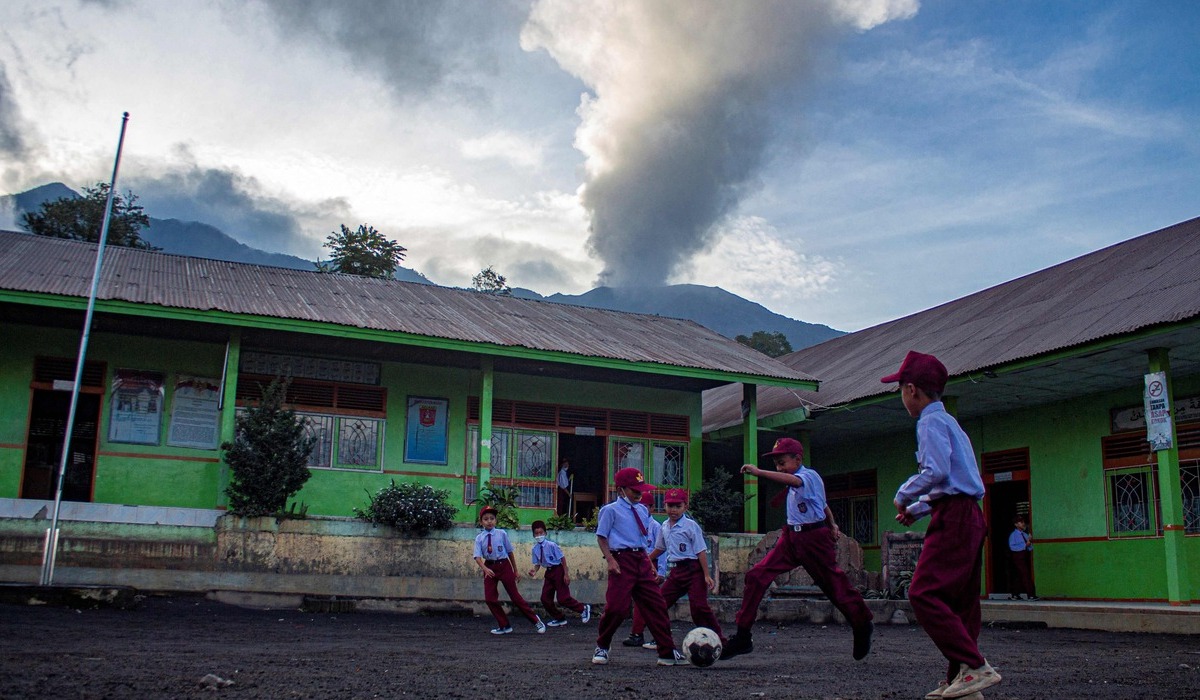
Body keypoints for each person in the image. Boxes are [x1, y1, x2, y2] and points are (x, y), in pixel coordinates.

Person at [883, 350, 1001, 699]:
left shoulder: (929, 423)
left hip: (954, 518)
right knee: (963, 602)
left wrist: (903, 496)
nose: (901, 396)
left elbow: (935, 472)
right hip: (968, 513)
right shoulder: (951, 423)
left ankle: (975, 666)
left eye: (901, 389)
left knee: (923, 593)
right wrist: (920, 509)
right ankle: (961, 680)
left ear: (912, 390)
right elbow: (956, 481)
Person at [721, 437, 874, 663]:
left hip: (813, 539)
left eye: (782, 462)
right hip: (791, 537)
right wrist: (832, 523)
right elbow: (822, 504)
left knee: (833, 585)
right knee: (756, 575)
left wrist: (759, 472)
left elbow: (794, 481)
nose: (779, 467)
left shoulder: (808, 476)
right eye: (776, 464)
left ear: (798, 459)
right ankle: (743, 636)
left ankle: (862, 623)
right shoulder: (797, 484)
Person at [591, 467, 686, 666]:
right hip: (621, 559)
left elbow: (642, 540)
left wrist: (649, 563)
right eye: (634, 490)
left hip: (641, 559)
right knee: (617, 607)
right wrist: (610, 559)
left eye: (640, 489)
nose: (639, 493)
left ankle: (667, 651)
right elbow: (601, 537)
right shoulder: (610, 511)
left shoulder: (642, 510)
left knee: (656, 604)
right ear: (621, 490)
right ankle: (603, 644)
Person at [648, 489, 726, 644]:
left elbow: (700, 550)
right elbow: (660, 548)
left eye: (678, 506)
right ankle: (661, 638)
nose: (673, 510)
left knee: (699, 608)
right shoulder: (664, 526)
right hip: (676, 571)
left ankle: (717, 639)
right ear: (664, 506)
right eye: (670, 505)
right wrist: (647, 559)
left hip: (693, 569)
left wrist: (706, 575)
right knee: (659, 603)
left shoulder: (690, 526)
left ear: (685, 506)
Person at [473, 506, 546, 635]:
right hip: (489, 566)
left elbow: (510, 552)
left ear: (496, 520)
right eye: (486, 519)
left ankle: (536, 621)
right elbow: (477, 557)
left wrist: (515, 570)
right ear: (481, 522)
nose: (489, 521)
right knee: (490, 598)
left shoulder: (502, 533)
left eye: (492, 518)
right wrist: (485, 569)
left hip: (504, 565)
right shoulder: (479, 538)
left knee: (515, 596)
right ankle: (504, 625)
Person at [527, 519, 592, 626]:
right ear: (533, 535)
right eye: (536, 533)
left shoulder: (552, 545)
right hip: (549, 573)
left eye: (541, 533)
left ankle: (583, 609)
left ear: (545, 533)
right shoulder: (535, 549)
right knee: (545, 599)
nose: (539, 535)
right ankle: (559, 618)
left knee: (563, 598)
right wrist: (534, 570)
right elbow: (538, 563)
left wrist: (566, 574)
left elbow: (562, 559)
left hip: (558, 570)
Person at [622, 504, 668, 649]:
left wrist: (661, 571)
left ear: (652, 508)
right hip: (638, 562)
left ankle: (657, 636)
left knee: (653, 602)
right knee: (640, 602)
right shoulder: (633, 523)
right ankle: (637, 634)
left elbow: (661, 549)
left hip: (650, 563)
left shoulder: (655, 526)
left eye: (646, 506)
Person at [1007, 515, 1037, 601]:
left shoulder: (1024, 534)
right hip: (1017, 557)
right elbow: (1012, 547)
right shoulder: (1013, 535)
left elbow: (1030, 547)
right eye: (1021, 522)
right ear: (1016, 524)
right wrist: (1025, 545)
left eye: (1023, 522)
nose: (1023, 524)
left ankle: (1015, 595)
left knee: (1019, 576)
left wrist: (1029, 543)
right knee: (1025, 575)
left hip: (1024, 556)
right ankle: (1031, 595)